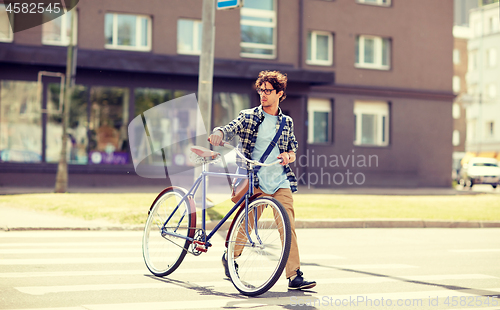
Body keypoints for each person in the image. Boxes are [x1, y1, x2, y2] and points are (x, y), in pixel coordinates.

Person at [208, 70, 316, 290]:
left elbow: (292, 149)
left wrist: (288, 156)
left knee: (287, 226)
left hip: (280, 180)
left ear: (280, 94)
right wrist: (219, 132)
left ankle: (294, 275)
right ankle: (231, 257)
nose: (263, 95)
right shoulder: (249, 116)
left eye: (268, 91)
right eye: (261, 90)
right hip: (255, 180)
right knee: (247, 225)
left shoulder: (287, 122)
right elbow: (230, 128)